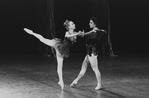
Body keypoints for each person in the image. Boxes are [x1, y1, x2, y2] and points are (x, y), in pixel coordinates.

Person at [24, 19, 82, 90]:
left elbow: (83, 34)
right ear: (69, 27)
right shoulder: (67, 33)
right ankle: (32, 33)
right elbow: (67, 37)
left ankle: (60, 81)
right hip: (60, 47)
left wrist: (90, 32)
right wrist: (77, 34)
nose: (74, 24)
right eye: (72, 24)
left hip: (63, 48)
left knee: (60, 65)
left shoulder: (75, 32)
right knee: (42, 39)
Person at [70, 17, 106, 90]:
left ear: (95, 24)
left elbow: (86, 35)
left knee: (95, 69)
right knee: (83, 67)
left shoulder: (94, 32)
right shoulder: (96, 31)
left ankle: (99, 84)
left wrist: (80, 33)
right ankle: (75, 81)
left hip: (92, 51)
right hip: (89, 52)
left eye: (91, 23)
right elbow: (103, 31)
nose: (89, 24)